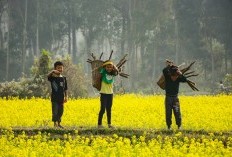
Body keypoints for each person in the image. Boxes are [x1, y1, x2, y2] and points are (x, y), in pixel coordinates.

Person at [162, 60, 187, 130]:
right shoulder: (167, 77)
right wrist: (169, 65)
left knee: (177, 112)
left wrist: (181, 74)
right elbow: (164, 70)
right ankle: (169, 126)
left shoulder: (178, 78)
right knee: (168, 113)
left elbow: (185, 80)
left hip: (175, 98)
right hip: (168, 98)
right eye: (173, 75)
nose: (174, 77)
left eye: (176, 75)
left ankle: (179, 126)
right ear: (171, 74)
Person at [98, 60, 118, 129]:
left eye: (110, 67)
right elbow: (101, 68)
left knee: (109, 109)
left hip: (110, 94)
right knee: (102, 109)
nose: (109, 68)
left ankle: (109, 124)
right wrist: (106, 64)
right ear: (105, 67)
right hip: (103, 93)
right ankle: (99, 124)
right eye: (107, 67)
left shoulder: (113, 73)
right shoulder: (103, 72)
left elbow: (116, 72)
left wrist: (114, 66)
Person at [47, 61, 68, 128]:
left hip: (61, 98)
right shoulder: (52, 77)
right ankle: (55, 124)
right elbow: (47, 76)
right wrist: (52, 71)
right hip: (54, 98)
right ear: (55, 68)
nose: (60, 69)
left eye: (61, 68)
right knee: (55, 111)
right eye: (58, 68)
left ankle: (59, 123)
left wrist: (66, 97)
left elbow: (65, 88)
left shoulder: (64, 78)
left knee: (61, 111)